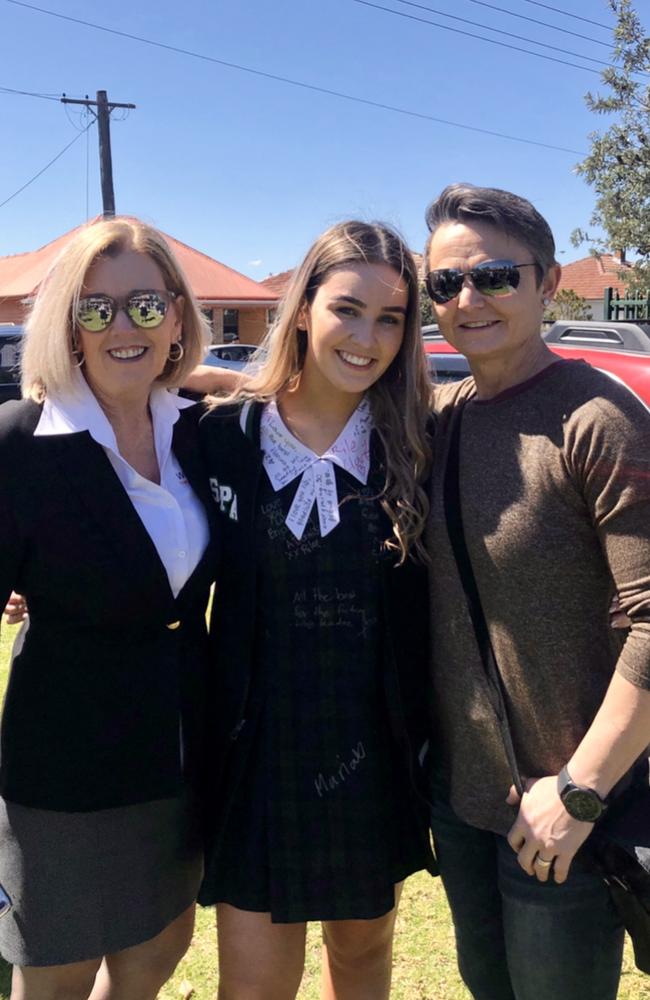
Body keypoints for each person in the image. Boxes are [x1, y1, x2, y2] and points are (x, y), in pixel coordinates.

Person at [197, 220, 435, 999]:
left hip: (371, 747)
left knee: (364, 960)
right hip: (259, 748)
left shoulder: (418, 441)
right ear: (302, 309)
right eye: (347, 309)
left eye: (391, 318)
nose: (367, 338)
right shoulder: (223, 437)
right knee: (256, 984)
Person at [423, 183, 650, 1000]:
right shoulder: (442, 417)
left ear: (548, 283)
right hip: (468, 802)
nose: (469, 299)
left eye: (494, 276)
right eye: (446, 284)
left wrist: (581, 792)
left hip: (565, 809)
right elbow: (308, 404)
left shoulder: (596, 420)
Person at [0, 217, 217, 999]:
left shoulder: (197, 432)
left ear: (178, 317)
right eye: (95, 309)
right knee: (55, 980)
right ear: (68, 326)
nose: (122, 327)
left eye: (145, 306)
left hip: (180, 758)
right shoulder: (20, 444)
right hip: (63, 775)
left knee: (153, 958)